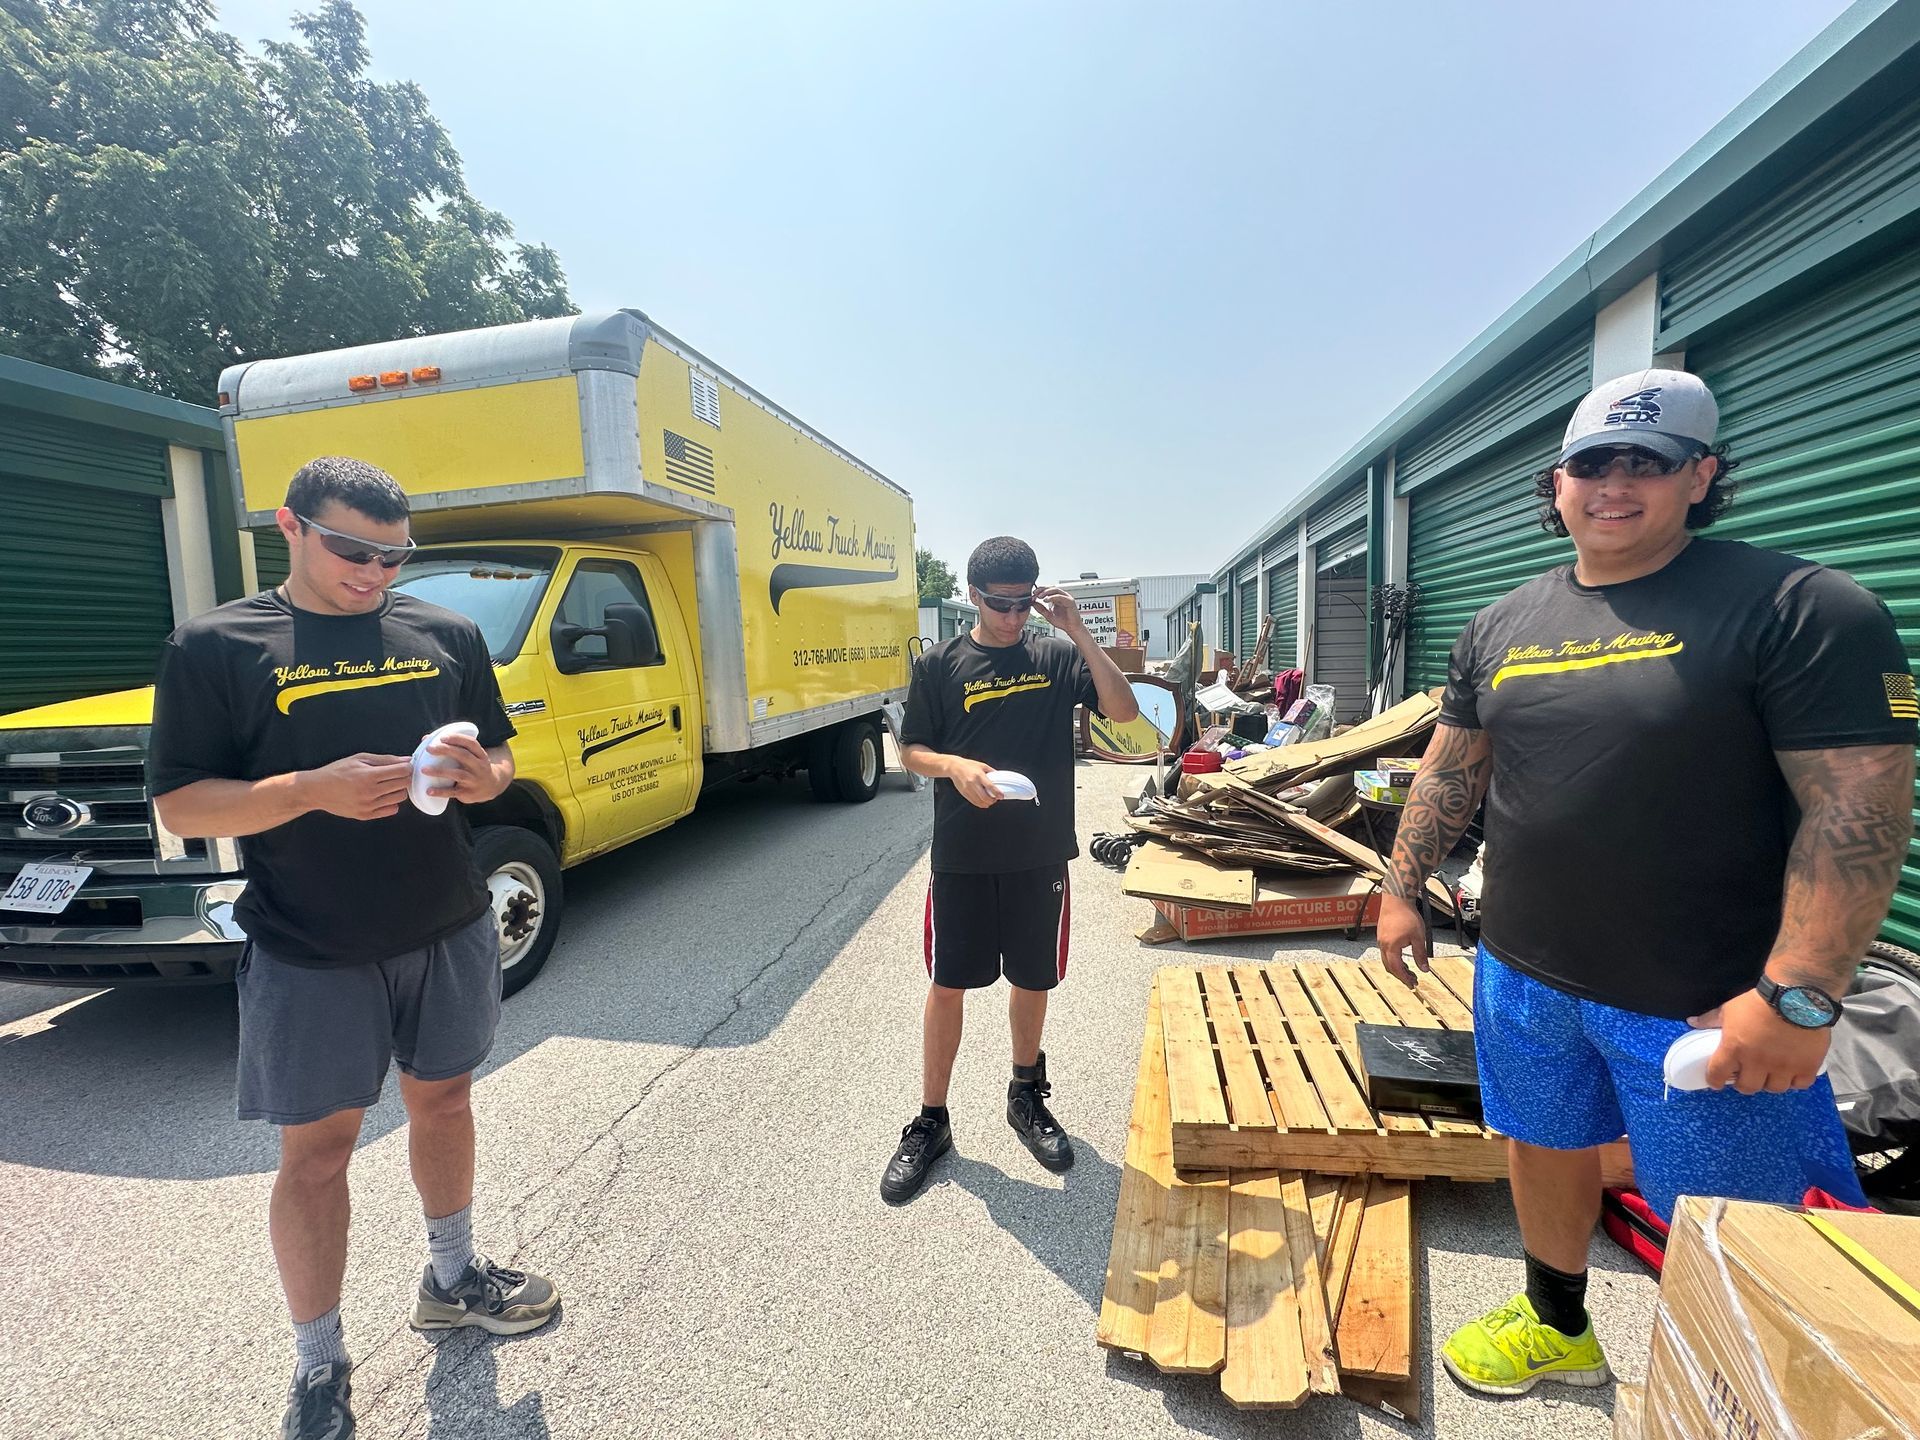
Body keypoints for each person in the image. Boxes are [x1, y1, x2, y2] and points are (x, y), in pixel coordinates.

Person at [1377, 369, 1916, 1398]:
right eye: (1593, 463)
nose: (1613, 484)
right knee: (1544, 1144)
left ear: (1701, 476)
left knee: (1745, 1239)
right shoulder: (1501, 623)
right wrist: (1402, 887)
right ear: (1558, 481)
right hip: (1524, 976)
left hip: (1703, 1006)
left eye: (1648, 462)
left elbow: (1862, 812)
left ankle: (1757, 1403)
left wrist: (1798, 996)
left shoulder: (1802, 609)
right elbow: (1454, 768)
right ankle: (1555, 1322)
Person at [150, 457, 560, 1439]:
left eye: (394, 554)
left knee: (447, 1100)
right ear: (288, 527)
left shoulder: (445, 632)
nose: (375, 573)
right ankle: (319, 1364)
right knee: (319, 1157)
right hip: (309, 944)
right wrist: (305, 790)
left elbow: (501, 754)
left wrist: (484, 778)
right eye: (352, 550)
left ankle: (454, 1275)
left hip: (448, 922)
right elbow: (179, 803)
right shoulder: (216, 645)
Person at [881, 537, 1139, 1203]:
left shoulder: (1055, 654)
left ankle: (1026, 1095)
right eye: (1001, 605)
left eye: (1024, 604)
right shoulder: (940, 664)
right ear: (973, 595)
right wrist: (956, 768)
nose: (1014, 617)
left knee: (1033, 978)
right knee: (948, 985)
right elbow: (911, 750)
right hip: (963, 855)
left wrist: (1077, 628)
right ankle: (931, 1122)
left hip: (1039, 853)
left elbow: (1123, 711)